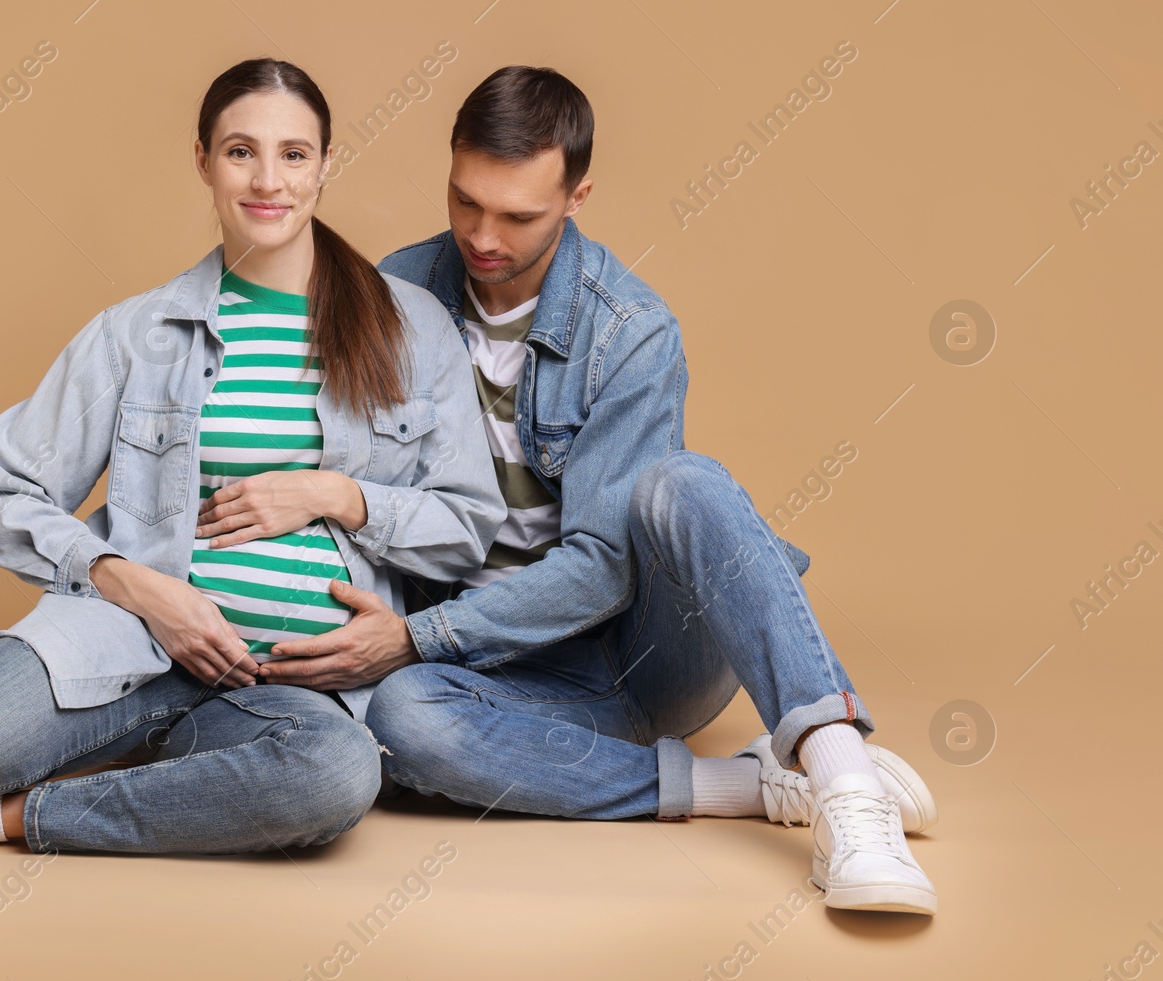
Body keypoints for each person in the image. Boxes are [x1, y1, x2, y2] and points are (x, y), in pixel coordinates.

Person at [255, 66, 941, 915]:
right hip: (498, 674)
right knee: (403, 720)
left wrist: (419, 634)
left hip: (645, 655)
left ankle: (845, 785)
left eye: (519, 215)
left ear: (578, 195)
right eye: (466, 200)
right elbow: (350, 477)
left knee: (680, 483)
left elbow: (601, 567)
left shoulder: (631, 330)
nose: (482, 235)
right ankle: (747, 787)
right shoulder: (395, 293)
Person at [0, 57, 503, 861]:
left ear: (326, 166)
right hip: (131, 651)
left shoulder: (412, 327)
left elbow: (469, 523)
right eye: (240, 151)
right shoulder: (138, 334)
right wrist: (140, 586)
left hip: (290, 697)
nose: (269, 179)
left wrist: (335, 493)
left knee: (334, 779)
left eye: (294, 154)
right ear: (202, 160)